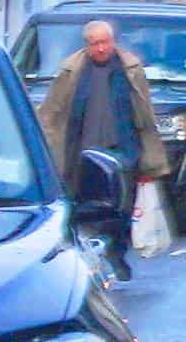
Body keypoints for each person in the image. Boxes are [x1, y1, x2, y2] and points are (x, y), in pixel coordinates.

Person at [49, 21, 171, 258]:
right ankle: (86, 255)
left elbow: (145, 117)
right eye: (95, 43)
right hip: (81, 154)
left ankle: (117, 254)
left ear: (113, 42)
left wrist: (149, 161)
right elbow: (52, 112)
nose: (102, 48)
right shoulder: (71, 71)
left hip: (123, 152)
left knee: (121, 209)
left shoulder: (130, 69)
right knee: (82, 208)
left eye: (105, 42)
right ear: (87, 46)